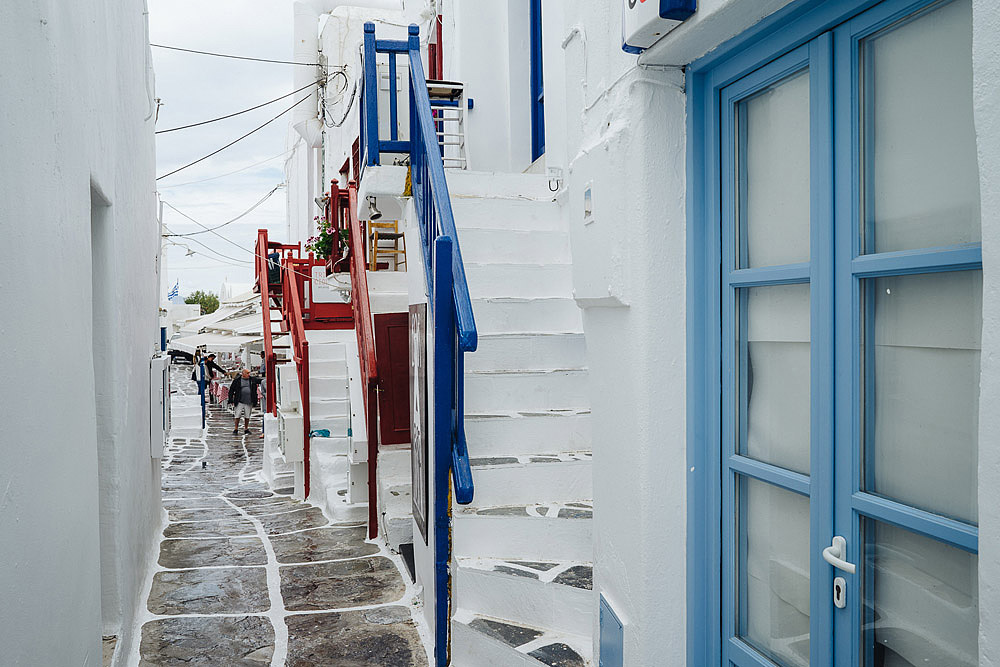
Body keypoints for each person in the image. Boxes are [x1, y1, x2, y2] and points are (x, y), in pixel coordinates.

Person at [228, 368, 261, 435]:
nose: (249, 374)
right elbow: (231, 390)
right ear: (243, 374)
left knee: (247, 415)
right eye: (247, 373)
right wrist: (230, 399)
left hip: (249, 400)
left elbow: (260, 381)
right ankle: (236, 428)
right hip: (239, 400)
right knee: (237, 415)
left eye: (249, 373)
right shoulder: (237, 380)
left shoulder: (252, 379)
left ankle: (246, 428)